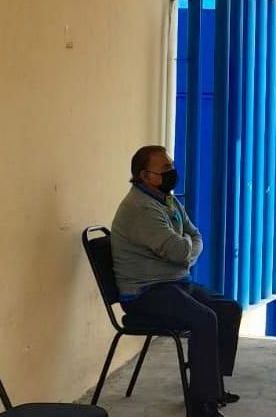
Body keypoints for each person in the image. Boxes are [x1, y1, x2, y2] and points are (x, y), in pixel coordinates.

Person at [111, 146, 242, 417]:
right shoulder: (140, 208)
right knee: (204, 319)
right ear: (145, 176)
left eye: (171, 165)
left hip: (175, 282)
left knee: (229, 309)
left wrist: (185, 252)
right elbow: (180, 250)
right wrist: (186, 251)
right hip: (145, 293)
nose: (172, 172)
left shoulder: (166, 200)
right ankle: (201, 405)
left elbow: (195, 237)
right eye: (165, 169)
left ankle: (212, 386)